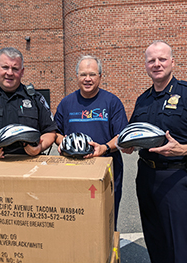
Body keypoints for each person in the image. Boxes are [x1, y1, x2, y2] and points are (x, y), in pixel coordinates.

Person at [122, 40, 187, 263]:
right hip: (146, 177)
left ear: (172, 63)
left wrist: (184, 149)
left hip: (177, 177)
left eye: (162, 59)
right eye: (151, 60)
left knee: (179, 246)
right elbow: (134, 134)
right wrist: (127, 145)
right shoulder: (143, 100)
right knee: (155, 239)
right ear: (146, 66)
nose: (156, 64)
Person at [54, 55, 128, 229]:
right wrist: (64, 142)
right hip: (73, 173)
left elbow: (122, 136)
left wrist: (105, 148)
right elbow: (55, 132)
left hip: (106, 171)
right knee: (76, 221)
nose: (87, 79)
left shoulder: (112, 102)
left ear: (100, 77)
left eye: (92, 74)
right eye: (83, 74)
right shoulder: (66, 103)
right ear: (77, 77)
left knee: (105, 221)